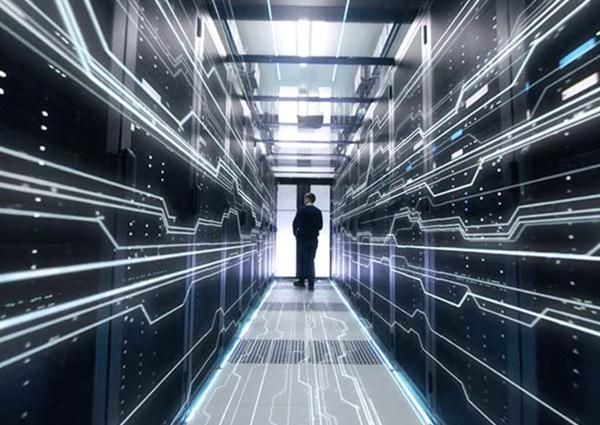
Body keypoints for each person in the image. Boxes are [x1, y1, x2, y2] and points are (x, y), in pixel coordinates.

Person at [292, 192, 323, 291]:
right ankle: (311, 283)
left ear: (307, 199)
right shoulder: (318, 211)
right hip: (313, 239)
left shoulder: (302, 210)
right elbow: (320, 226)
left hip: (302, 239)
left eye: (305, 198)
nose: (304, 200)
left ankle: (301, 281)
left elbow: (295, 223)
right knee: (311, 261)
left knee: (302, 260)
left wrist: (296, 235)